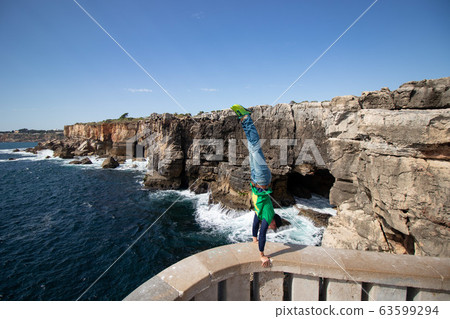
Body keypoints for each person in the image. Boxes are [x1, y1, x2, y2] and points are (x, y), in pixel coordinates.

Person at [231, 104, 282, 268]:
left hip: (255, 180)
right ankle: (246, 118)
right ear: (274, 222)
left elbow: (255, 226)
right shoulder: (268, 214)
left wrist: (253, 238)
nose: (270, 228)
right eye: (273, 227)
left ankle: (244, 119)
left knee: (252, 148)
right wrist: (261, 255)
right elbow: (263, 235)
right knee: (254, 146)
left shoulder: (260, 214)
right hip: (262, 179)